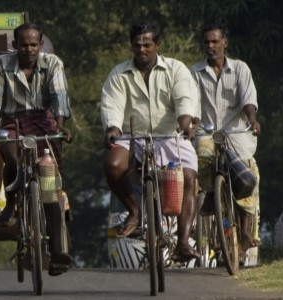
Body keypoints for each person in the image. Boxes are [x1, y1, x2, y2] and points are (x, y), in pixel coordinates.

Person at [100, 23, 201, 261]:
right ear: (131, 46)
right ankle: (134, 211)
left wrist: (186, 123)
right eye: (137, 45)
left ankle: (183, 243)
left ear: (157, 45)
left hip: (170, 136)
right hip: (131, 137)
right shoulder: (118, 74)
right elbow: (111, 104)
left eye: (147, 44)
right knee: (112, 165)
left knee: (189, 177)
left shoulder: (176, 69)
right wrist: (112, 129)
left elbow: (185, 98)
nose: (142, 49)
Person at [0, 22, 72, 275]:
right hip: (12, 123)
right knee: (10, 157)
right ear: (15, 45)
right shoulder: (1, 64)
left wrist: (61, 126)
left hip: (44, 121)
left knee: (49, 185)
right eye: (23, 44)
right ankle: (11, 204)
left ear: (40, 45)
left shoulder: (53, 64)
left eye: (33, 44)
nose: (28, 49)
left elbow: (60, 96)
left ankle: (57, 251)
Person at [190, 24, 261, 252]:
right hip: (207, 132)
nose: (211, 46)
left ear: (224, 43)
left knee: (249, 173)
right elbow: (190, 105)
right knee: (202, 154)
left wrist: (252, 120)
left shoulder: (240, 69)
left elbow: (248, 100)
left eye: (215, 41)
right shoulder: (194, 73)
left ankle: (246, 230)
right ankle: (211, 192)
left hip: (236, 134)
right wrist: (191, 124)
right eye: (207, 42)